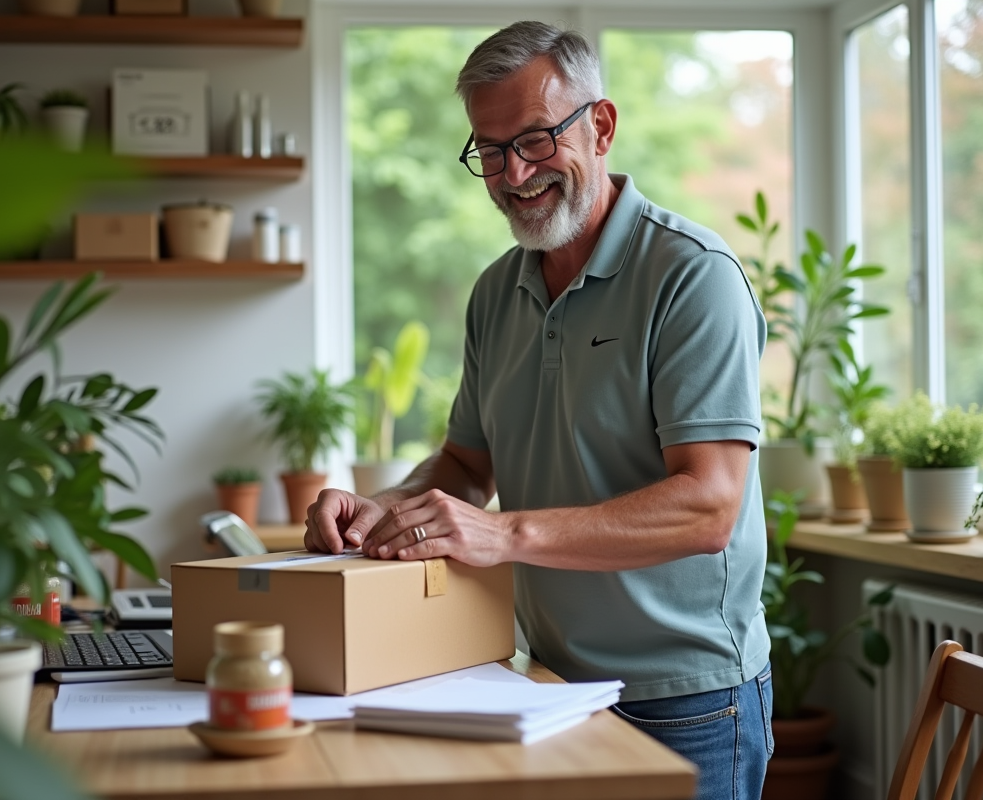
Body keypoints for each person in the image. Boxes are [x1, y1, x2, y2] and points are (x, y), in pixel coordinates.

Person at [306, 20, 771, 800]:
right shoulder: (496, 291)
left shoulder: (694, 277)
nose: (512, 172)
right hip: (542, 683)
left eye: (534, 139)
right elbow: (466, 464)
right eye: (489, 150)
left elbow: (709, 508)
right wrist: (380, 510)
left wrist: (504, 534)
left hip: (685, 699)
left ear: (601, 126)